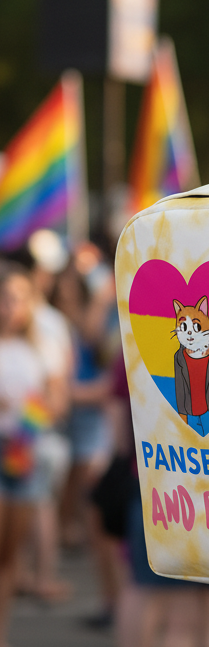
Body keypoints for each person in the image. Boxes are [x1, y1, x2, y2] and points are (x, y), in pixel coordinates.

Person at [0, 264, 67, 647]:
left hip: (24, 449)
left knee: (9, 554)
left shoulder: (43, 346)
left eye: (18, 299)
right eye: (4, 299)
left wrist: (32, 411)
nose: (10, 307)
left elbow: (57, 401)